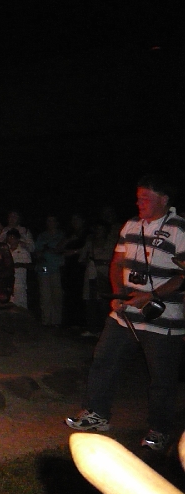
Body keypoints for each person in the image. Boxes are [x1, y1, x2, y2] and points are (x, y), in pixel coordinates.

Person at [66, 175, 185, 452]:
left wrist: (151, 296)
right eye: (138, 197)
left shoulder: (180, 229)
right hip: (126, 312)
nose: (138, 202)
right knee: (104, 359)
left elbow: (183, 275)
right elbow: (117, 261)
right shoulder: (131, 225)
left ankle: (159, 429)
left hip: (162, 315)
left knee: (161, 377)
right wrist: (118, 294)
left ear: (163, 199)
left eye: (145, 197)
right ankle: (97, 414)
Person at [35, 215, 66, 326]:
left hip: (57, 267)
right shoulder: (42, 236)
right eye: (48, 220)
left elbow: (61, 249)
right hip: (44, 267)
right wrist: (40, 255)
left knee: (57, 295)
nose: (50, 223)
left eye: (53, 220)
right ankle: (46, 321)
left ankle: (56, 321)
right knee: (45, 294)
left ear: (57, 222)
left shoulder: (61, 235)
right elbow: (37, 251)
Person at [6, 228, 32, 308]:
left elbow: (30, 266)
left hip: (20, 283)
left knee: (21, 306)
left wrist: (20, 265)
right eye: (9, 238)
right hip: (8, 283)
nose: (10, 240)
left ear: (17, 239)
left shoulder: (23, 252)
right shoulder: (6, 252)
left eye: (12, 238)